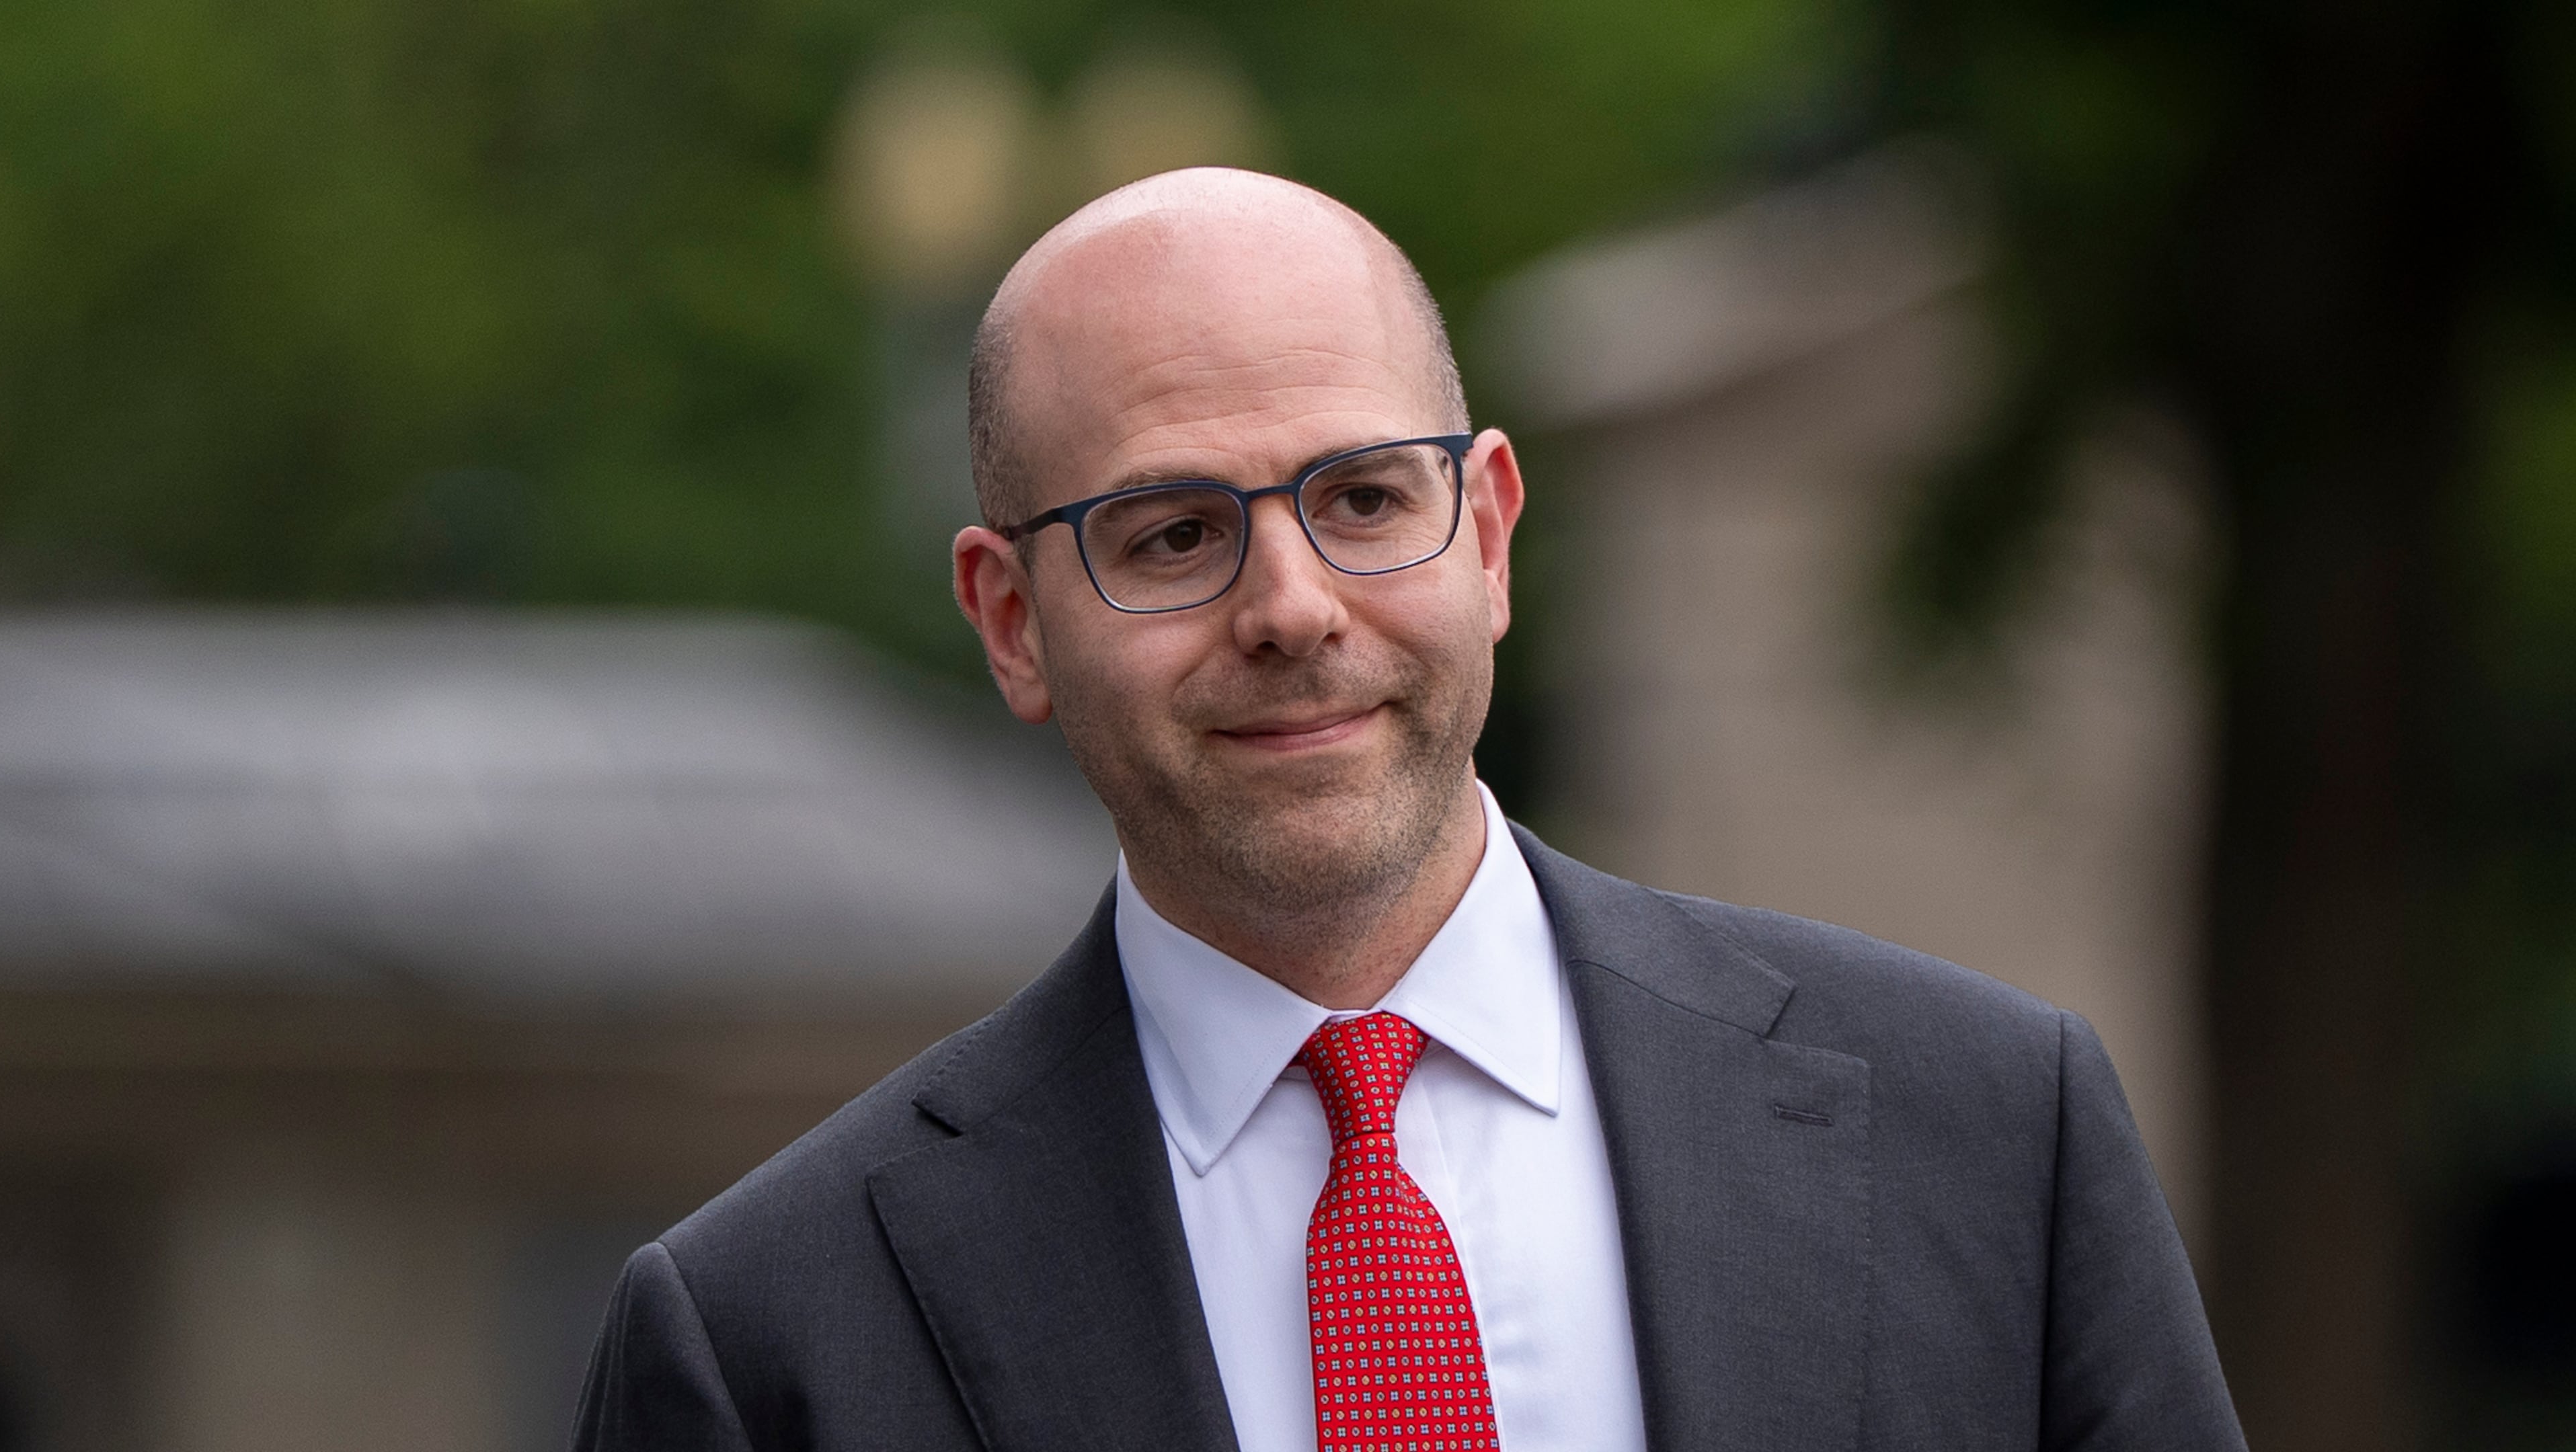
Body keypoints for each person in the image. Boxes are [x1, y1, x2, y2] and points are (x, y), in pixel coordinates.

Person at [571, 167, 2245, 1452]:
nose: (1293, 607)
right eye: (1172, 535)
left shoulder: (1990, 1139)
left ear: (1493, 534)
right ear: (1013, 620)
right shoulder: (766, 1339)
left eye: (1365, 498)